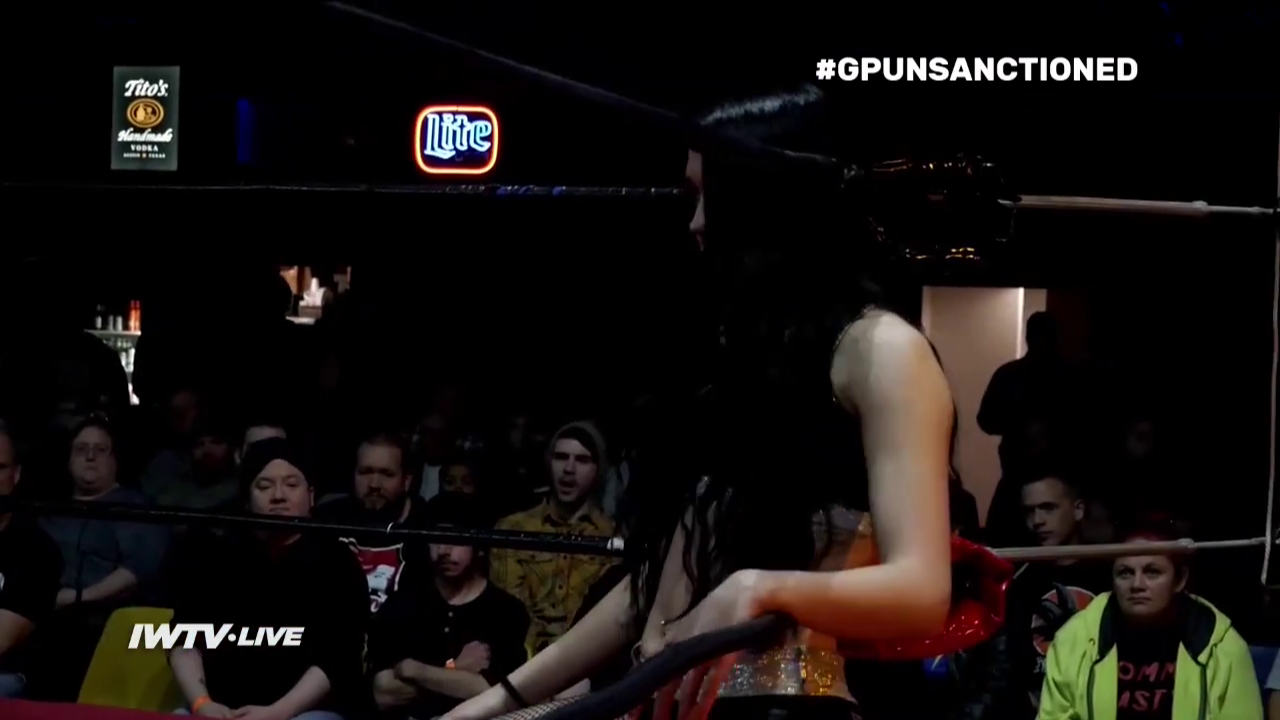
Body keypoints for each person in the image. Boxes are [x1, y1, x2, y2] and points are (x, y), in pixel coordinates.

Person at [443, 85, 970, 720]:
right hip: (668, 699)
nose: (693, 224)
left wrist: (757, 589)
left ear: (761, 201)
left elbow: (921, 591)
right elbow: (648, 595)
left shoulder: (884, 351)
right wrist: (494, 706)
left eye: (704, 197)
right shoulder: (749, 360)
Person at [1038, 521, 1264, 720]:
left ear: (1180, 579)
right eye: (1125, 573)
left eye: (1152, 572)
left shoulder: (1223, 648)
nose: (1137, 584)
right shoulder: (1073, 641)